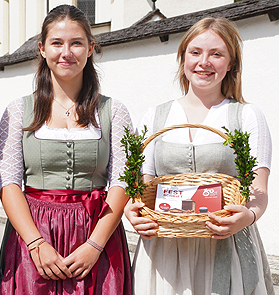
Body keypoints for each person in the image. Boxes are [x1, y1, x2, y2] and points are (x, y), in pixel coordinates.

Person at [124, 17, 274, 294]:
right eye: (195, 52)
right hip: (164, 248)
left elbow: (258, 190)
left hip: (225, 244)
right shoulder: (155, 116)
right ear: (183, 59)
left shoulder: (247, 116)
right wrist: (131, 212)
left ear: (230, 64)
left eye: (216, 54)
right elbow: (142, 188)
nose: (204, 62)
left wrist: (248, 217)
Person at [0, 5, 132, 294]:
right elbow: (8, 184)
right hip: (34, 236)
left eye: (76, 43)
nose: (66, 52)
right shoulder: (20, 110)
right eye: (57, 43)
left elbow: (122, 182)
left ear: (91, 48)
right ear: (42, 48)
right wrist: (36, 243)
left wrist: (94, 246)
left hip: (97, 234)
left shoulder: (113, 111)